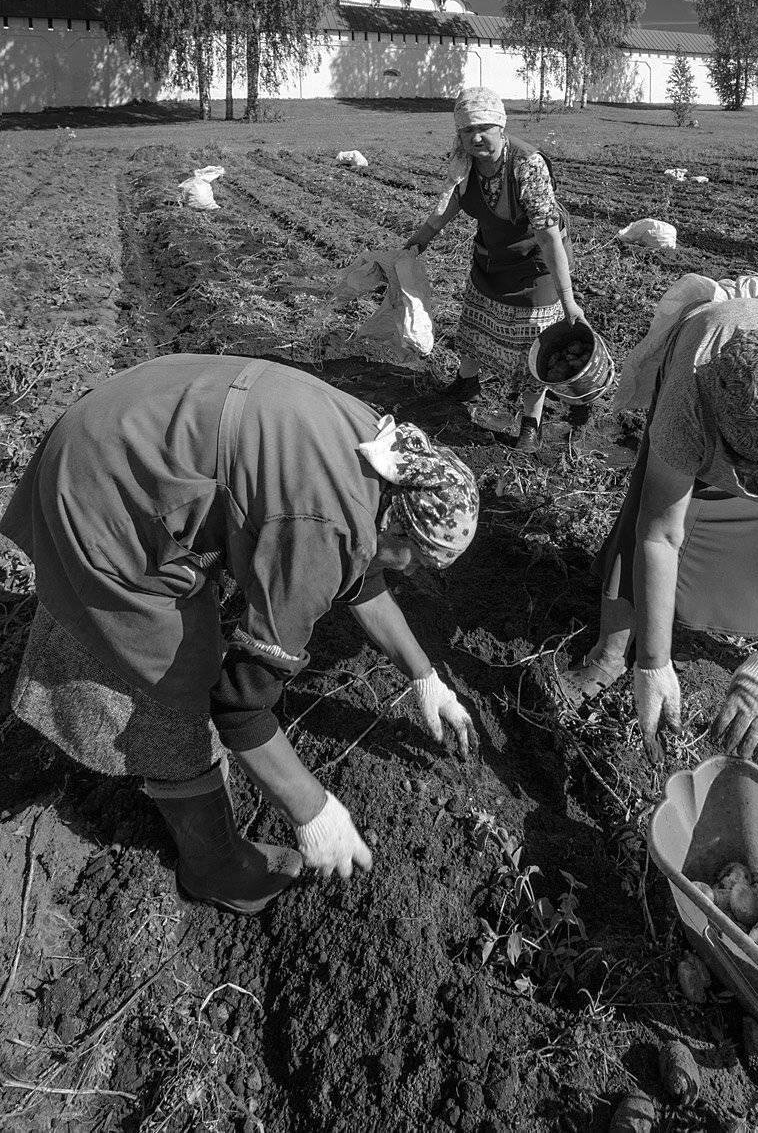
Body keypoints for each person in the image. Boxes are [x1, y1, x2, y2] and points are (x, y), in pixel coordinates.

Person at [0, 354, 480, 915]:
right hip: (102, 482)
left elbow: (361, 573)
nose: (411, 571)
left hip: (131, 420)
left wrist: (426, 680)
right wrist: (314, 810)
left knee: (186, 641)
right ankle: (212, 866)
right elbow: (239, 707)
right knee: (180, 685)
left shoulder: (380, 454)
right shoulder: (323, 529)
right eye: (417, 559)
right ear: (396, 520)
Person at [561, 291, 758, 769]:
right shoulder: (686, 403)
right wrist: (654, 662)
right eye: (745, 470)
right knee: (639, 517)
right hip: (705, 382)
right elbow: (658, 536)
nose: (755, 488)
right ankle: (613, 650)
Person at [404, 86, 586, 453]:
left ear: (501, 127)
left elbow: (549, 236)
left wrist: (568, 300)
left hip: (536, 267)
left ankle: (530, 422)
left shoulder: (526, 165)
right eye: (467, 130)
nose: (476, 137)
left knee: (535, 346)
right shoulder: (463, 159)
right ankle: (467, 382)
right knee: (473, 324)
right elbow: (452, 200)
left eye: (484, 128)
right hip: (491, 259)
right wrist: (422, 238)